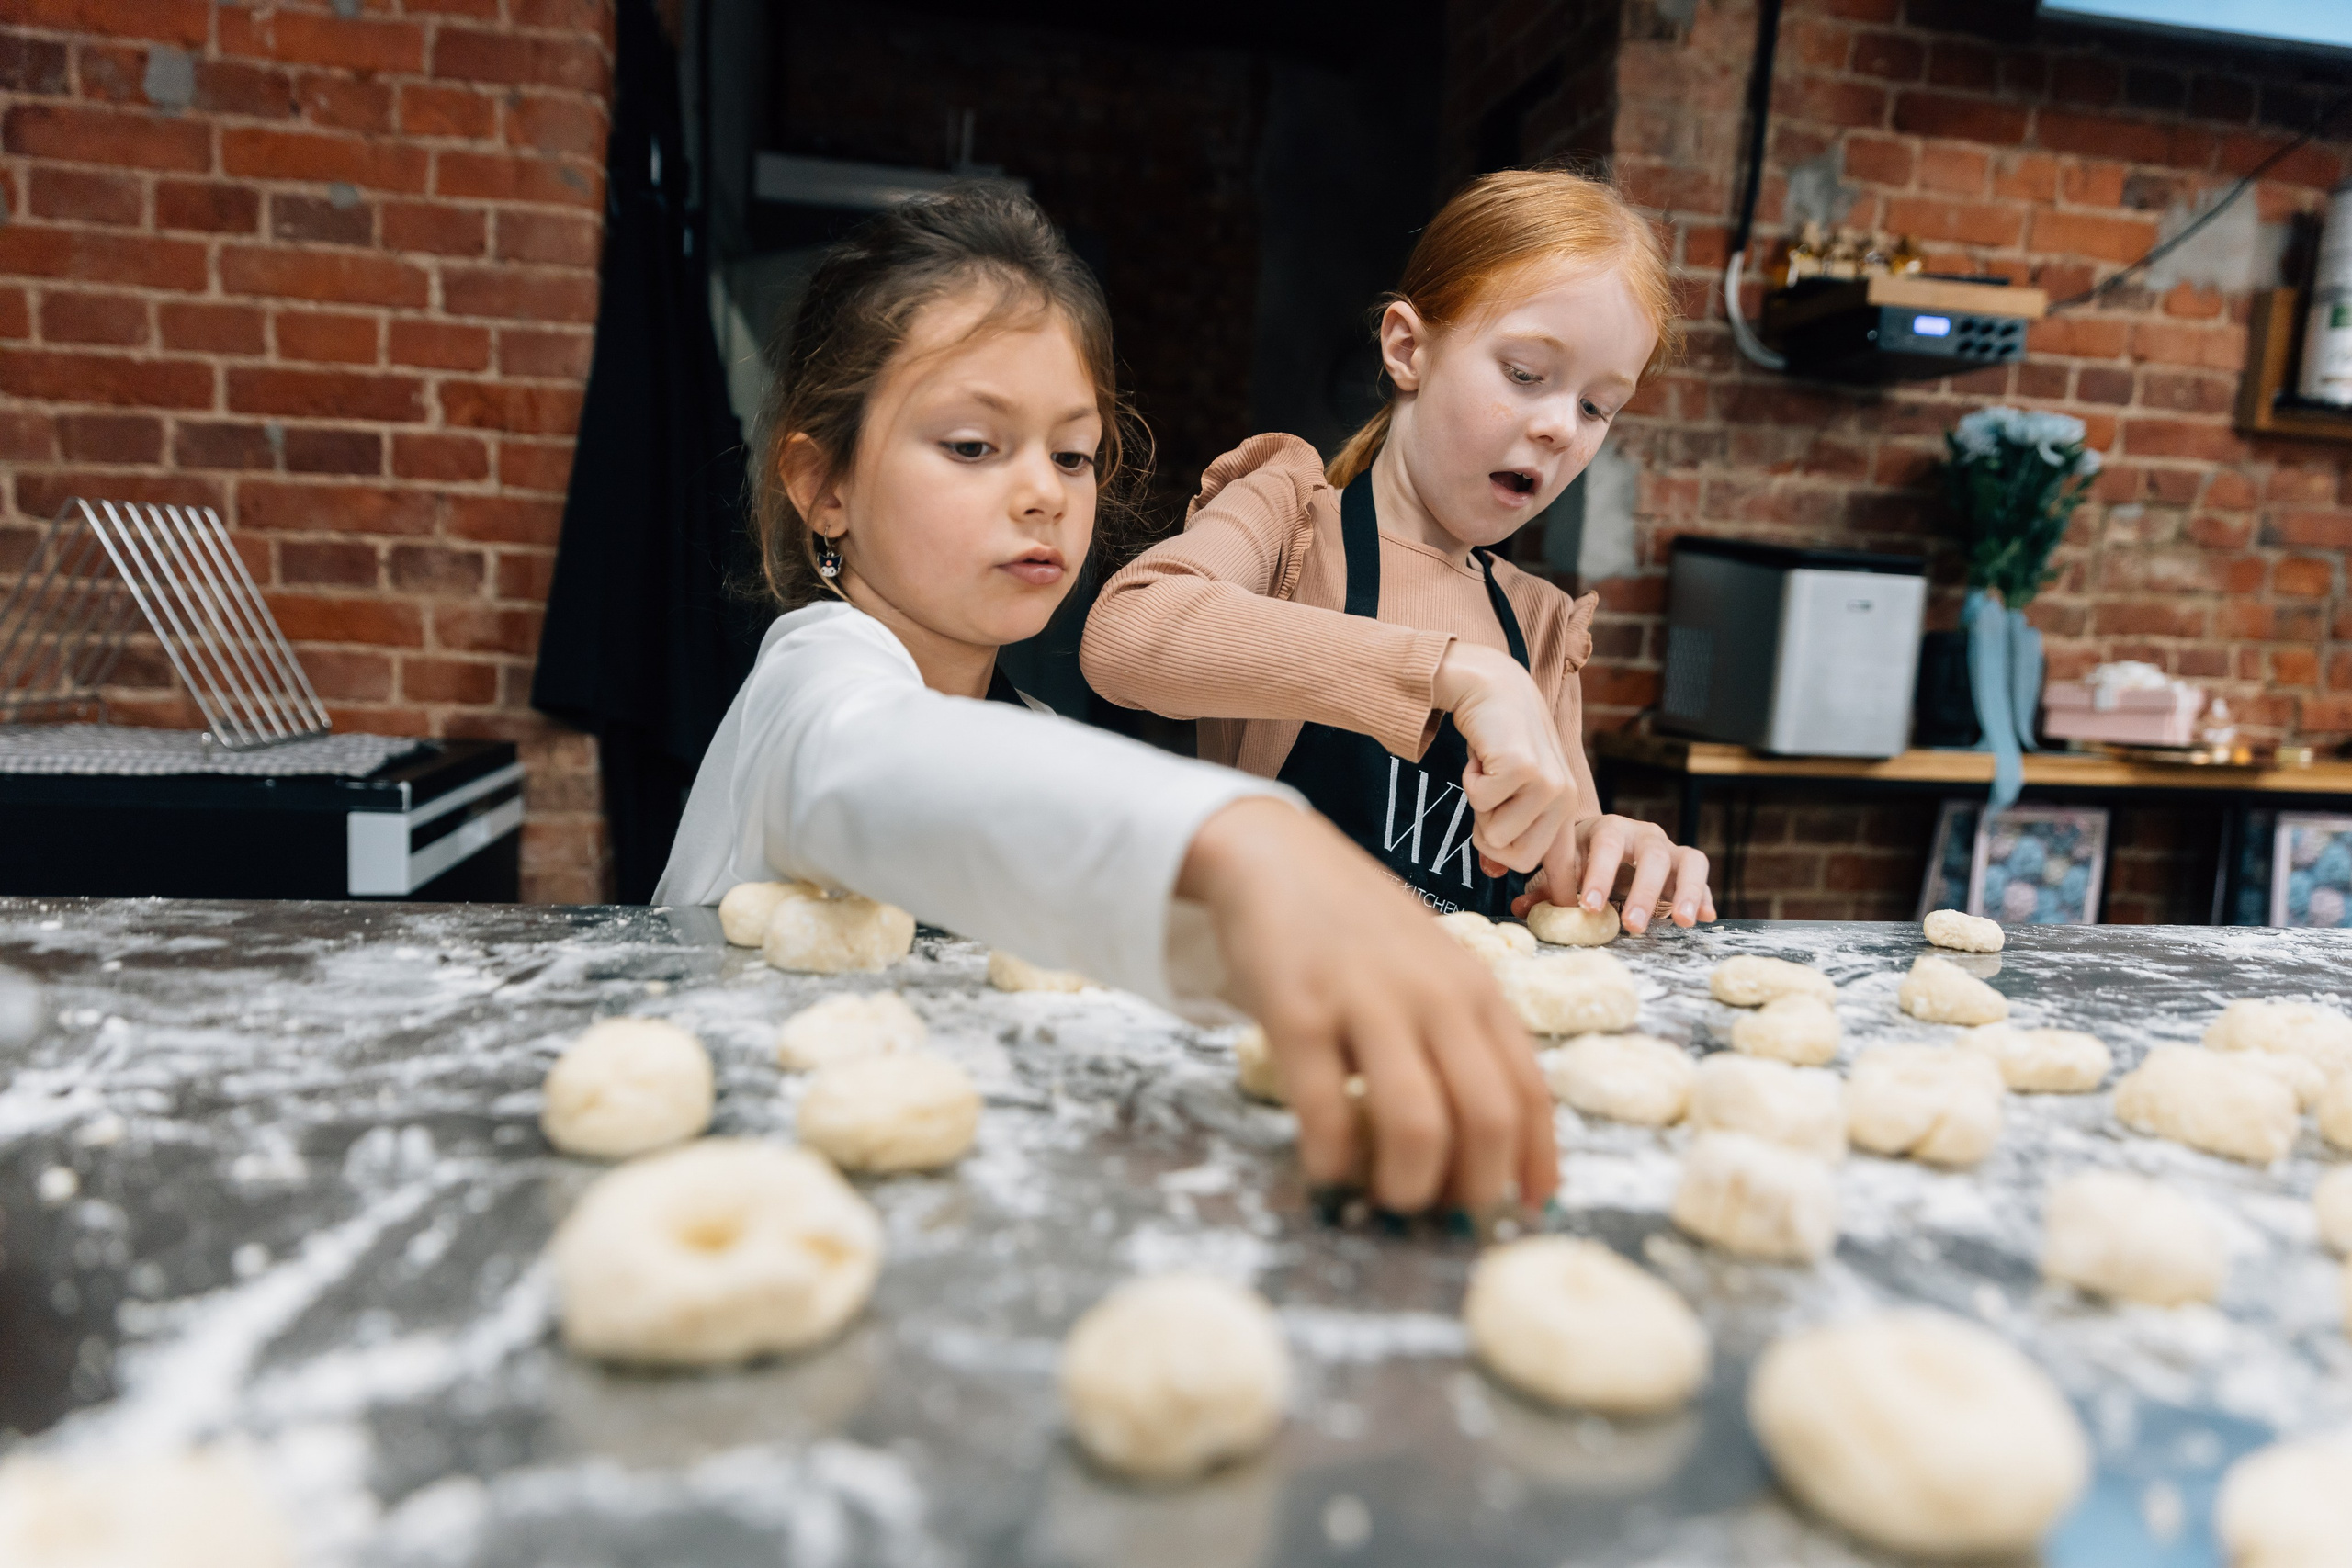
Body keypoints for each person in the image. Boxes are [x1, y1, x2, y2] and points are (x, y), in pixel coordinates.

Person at [655, 186, 1554, 1214]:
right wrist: (1242, 838)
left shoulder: (1031, 736)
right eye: (971, 445)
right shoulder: (811, 680)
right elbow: (869, 762)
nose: (1044, 491)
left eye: (1072, 453)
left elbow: (1085, 898)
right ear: (826, 487)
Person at [1081, 169, 1716, 932]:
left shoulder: (1542, 628)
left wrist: (1607, 855)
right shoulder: (1289, 516)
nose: (1560, 427)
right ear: (1408, 348)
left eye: (1596, 406)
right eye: (1525, 375)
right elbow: (1126, 635)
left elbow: (1555, 870)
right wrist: (1456, 673)